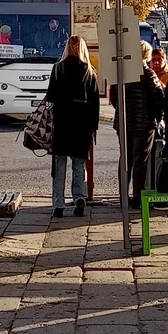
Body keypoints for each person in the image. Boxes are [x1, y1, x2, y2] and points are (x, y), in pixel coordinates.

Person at [46, 35, 100, 217]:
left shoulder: (58, 69)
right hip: (81, 123)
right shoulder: (89, 71)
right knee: (79, 164)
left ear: (67, 47)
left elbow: (50, 96)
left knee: (59, 165)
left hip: (62, 122)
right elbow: (95, 103)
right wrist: (93, 127)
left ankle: (58, 205)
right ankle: (79, 199)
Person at [110, 41, 164, 207]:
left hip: (123, 122)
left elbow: (114, 97)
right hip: (144, 124)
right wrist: (158, 118)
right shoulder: (147, 73)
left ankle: (123, 197)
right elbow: (159, 99)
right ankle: (137, 197)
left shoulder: (121, 73)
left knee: (125, 159)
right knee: (140, 160)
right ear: (146, 55)